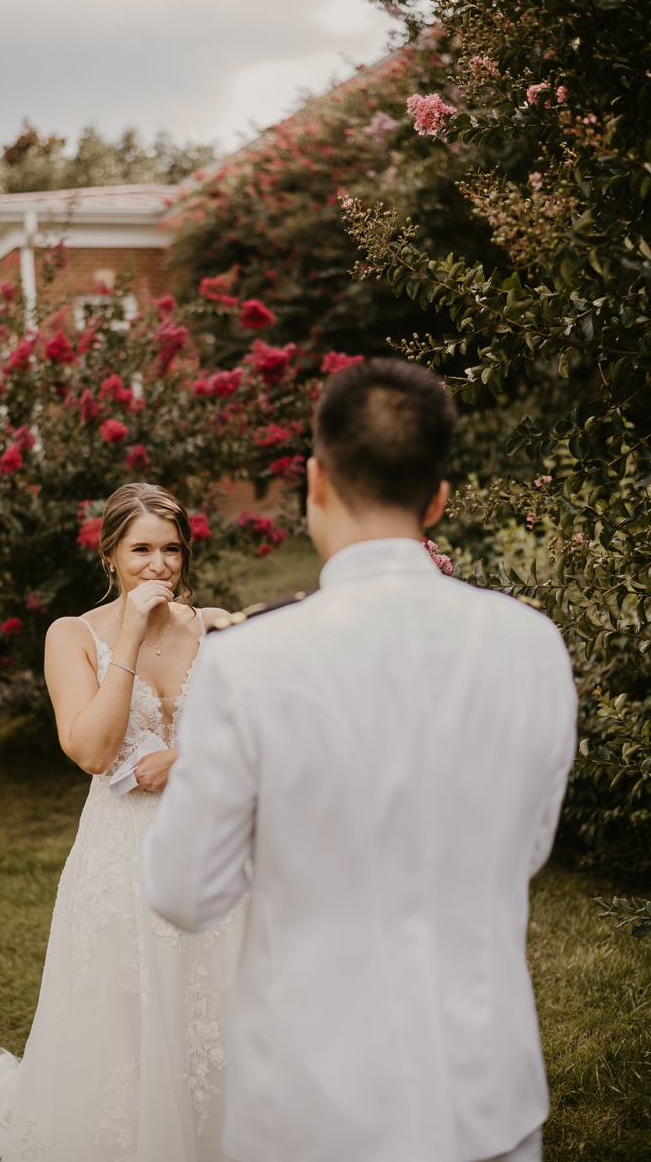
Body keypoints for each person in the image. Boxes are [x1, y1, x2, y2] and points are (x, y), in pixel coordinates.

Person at [143, 358, 578, 1162]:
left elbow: (182, 890)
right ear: (438, 500)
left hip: (310, 1105)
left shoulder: (249, 661)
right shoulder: (533, 644)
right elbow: (528, 849)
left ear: (315, 481)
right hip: (488, 1095)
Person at [0, 482, 245, 1162]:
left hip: (212, 842)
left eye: (172, 550)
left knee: (216, 1000)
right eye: (141, 549)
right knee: (128, 1003)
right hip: (125, 851)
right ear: (109, 553)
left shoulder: (213, 627)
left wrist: (187, 757)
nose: (159, 565)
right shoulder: (72, 636)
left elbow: (257, 739)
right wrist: (133, 636)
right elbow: (90, 749)